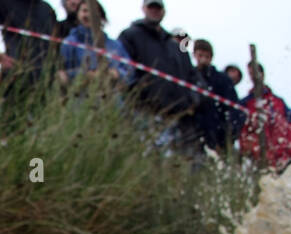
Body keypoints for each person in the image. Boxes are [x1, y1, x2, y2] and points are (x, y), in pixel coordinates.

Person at [118, 1, 199, 150]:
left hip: (177, 119)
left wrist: (192, 100)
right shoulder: (130, 36)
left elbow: (193, 77)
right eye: (151, 7)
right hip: (143, 113)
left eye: (158, 7)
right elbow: (122, 69)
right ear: (143, 9)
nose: (155, 11)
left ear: (164, 11)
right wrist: (137, 95)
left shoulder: (175, 46)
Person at [0, 0, 58, 118]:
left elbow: (55, 45)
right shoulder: (2, 4)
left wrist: (56, 70)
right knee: (9, 125)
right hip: (15, 76)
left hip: (44, 78)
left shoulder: (47, 9)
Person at [239, 61, 291, 171]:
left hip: (281, 160)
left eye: (255, 73)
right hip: (257, 159)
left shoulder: (278, 102)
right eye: (250, 74)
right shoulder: (245, 103)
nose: (253, 77)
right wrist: (249, 153)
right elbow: (243, 132)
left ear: (262, 74)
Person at [57, 2, 132, 89]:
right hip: (80, 97)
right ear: (78, 15)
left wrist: (116, 74)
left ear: (101, 16)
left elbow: (130, 72)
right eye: (84, 11)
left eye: (93, 11)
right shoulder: (69, 43)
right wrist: (85, 75)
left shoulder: (115, 45)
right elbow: (62, 73)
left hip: (112, 98)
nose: (89, 15)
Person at [189, 38, 239, 153]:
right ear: (194, 55)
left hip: (219, 135)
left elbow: (233, 109)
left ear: (211, 58)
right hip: (194, 133)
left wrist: (227, 137)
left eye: (207, 56)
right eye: (200, 55)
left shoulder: (222, 80)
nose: (203, 60)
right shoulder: (189, 77)